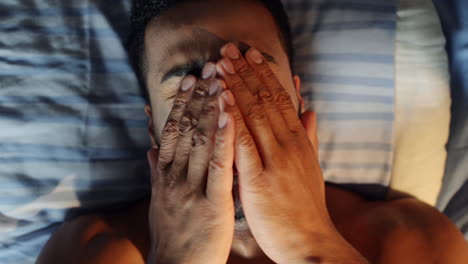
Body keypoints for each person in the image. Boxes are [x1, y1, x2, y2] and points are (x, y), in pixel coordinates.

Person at [37, 0, 468, 263]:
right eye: (191, 85)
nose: (228, 110)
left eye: (252, 77)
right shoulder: (95, 250)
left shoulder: (407, 238)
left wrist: (313, 247)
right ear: (154, 126)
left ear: (296, 101)